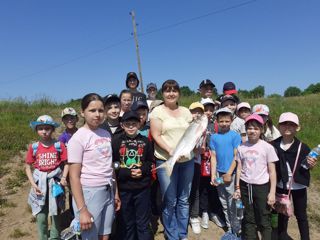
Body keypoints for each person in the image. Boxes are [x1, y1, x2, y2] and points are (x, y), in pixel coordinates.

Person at [68, 93, 121, 240]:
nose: (97, 115)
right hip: (89, 193)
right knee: (89, 237)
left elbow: (109, 165)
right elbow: (73, 176)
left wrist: (115, 193)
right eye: (92, 111)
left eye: (100, 110)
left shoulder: (105, 134)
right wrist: (82, 210)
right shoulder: (78, 138)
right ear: (82, 112)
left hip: (108, 190)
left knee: (105, 235)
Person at [150, 79, 193, 240]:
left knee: (183, 199)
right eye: (167, 90)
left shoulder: (186, 111)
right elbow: (156, 135)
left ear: (179, 93)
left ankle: (183, 234)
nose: (171, 93)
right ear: (163, 93)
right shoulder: (157, 112)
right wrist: (170, 151)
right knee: (170, 200)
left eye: (174, 90)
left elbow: (192, 134)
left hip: (187, 161)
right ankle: (172, 235)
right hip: (166, 160)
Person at [273, 112, 317, 240]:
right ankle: (282, 236)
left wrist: (311, 164)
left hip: (298, 185)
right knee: (281, 213)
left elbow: (308, 167)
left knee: (301, 215)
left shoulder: (303, 147)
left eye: (291, 124)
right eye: (284, 124)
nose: (287, 127)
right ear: (279, 126)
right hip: (280, 184)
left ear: (297, 127)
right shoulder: (273, 145)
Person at [234, 114, 278, 239]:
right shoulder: (241, 147)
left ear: (261, 130)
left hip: (262, 187)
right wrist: (237, 187)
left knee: (264, 217)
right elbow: (239, 168)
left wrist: (272, 192)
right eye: (249, 128)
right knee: (248, 217)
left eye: (255, 128)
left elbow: (272, 171)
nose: (252, 131)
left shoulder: (267, 147)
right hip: (245, 185)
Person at [26, 115, 69, 240]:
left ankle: (55, 236)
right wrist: (33, 184)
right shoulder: (33, 147)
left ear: (52, 129)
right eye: (40, 128)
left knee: (56, 211)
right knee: (41, 213)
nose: (44, 131)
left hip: (55, 183)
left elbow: (67, 164)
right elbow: (28, 167)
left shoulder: (59, 145)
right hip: (39, 184)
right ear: (36, 130)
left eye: (47, 128)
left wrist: (63, 178)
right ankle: (42, 237)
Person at [112, 111, 153, 240]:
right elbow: (114, 164)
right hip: (124, 189)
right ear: (122, 125)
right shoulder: (116, 141)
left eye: (133, 124)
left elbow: (150, 162)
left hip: (142, 189)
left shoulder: (146, 141)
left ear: (139, 125)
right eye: (127, 124)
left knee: (143, 223)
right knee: (126, 223)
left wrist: (142, 170)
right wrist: (128, 172)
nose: (131, 127)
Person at [210, 107, 242, 233]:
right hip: (219, 173)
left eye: (227, 121)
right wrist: (213, 175)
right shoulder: (214, 137)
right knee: (224, 202)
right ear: (217, 121)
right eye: (221, 121)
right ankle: (230, 227)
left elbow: (236, 156)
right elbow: (213, 157)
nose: (224, 124)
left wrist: (229, 173)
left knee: (234, 202)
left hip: (232, 174)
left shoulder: (235, 136)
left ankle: (237, 228)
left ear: (231, 121)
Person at [199, 98, 225, 229]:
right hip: (201, 160)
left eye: (211, 109)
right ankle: (204, 212)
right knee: (203, 186)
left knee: (214, 186)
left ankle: (214, 212)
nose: (208, 112)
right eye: (206, 109)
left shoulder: (216, 125)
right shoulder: (198, 123)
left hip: (214, 160)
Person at [188, 102, 205, 234]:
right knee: (182, 191)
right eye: (194, 111)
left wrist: (198, 149)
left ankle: (194, 217)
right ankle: (183, 215)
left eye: (200, 112)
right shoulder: (184, 125)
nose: (197, 114)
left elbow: (202, 148)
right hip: (182, 162)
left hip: (196, 162)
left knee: (195, 190)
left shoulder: (203, 128)